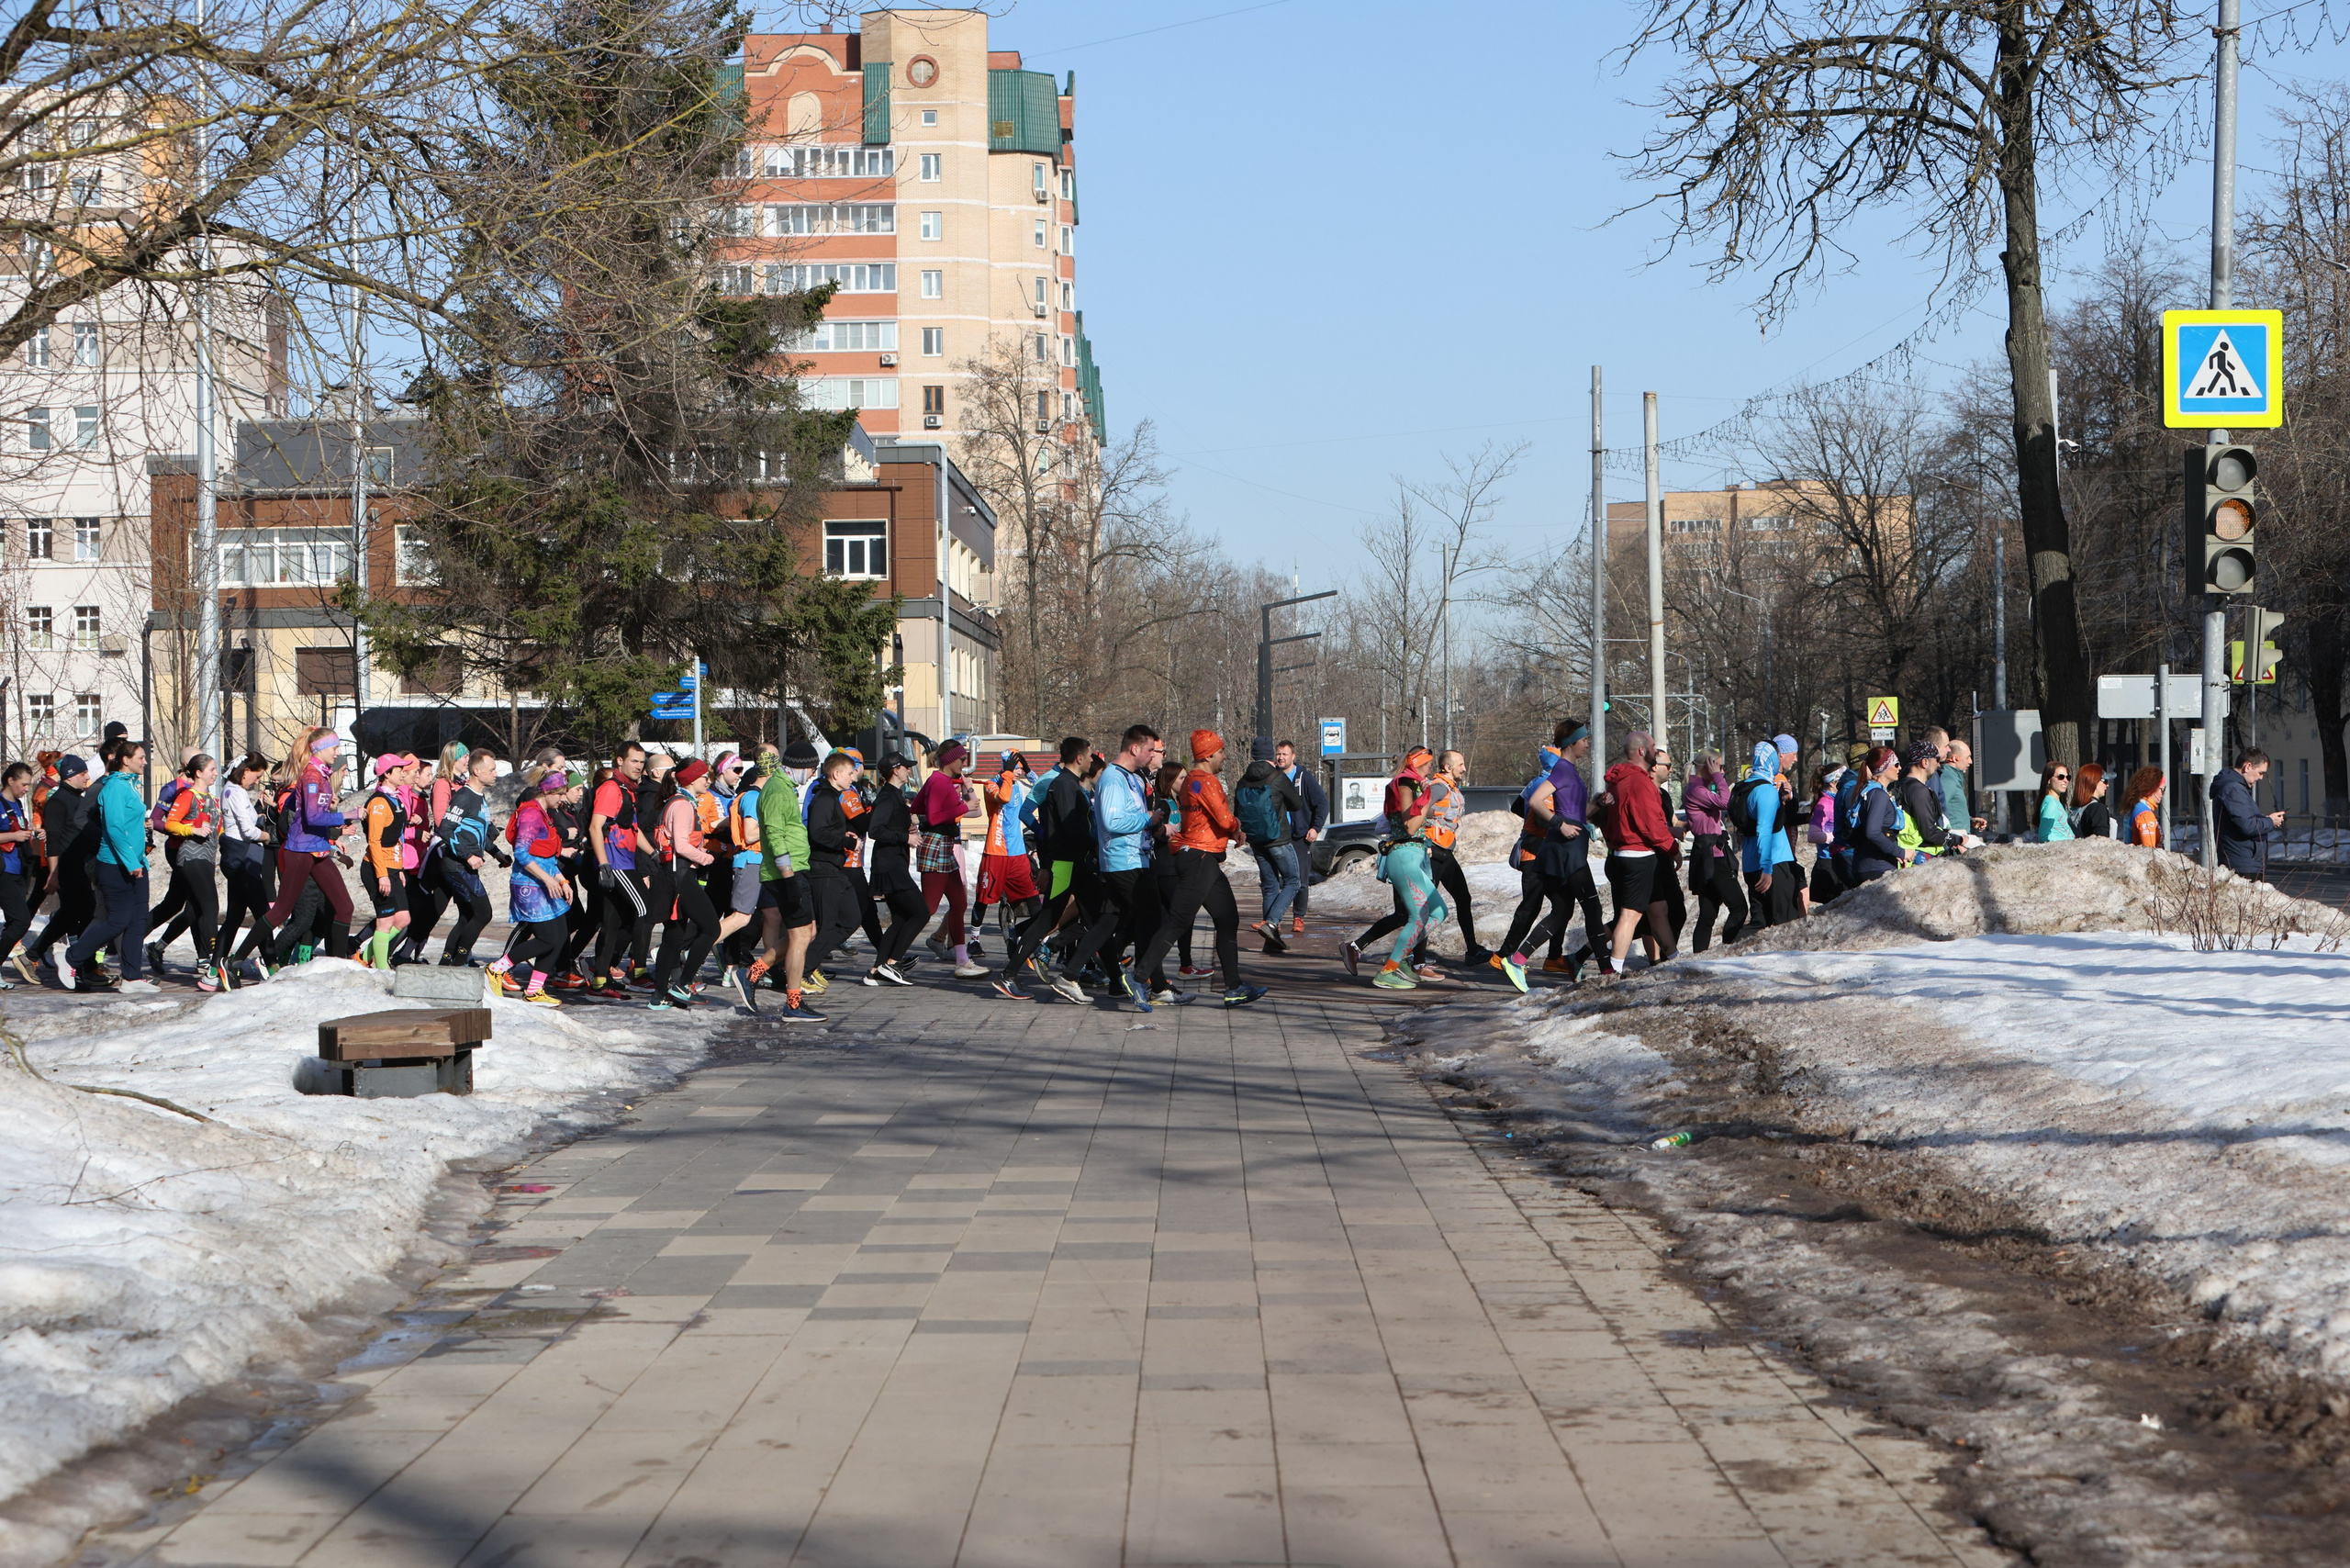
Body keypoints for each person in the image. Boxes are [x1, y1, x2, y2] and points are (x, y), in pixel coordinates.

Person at [1128, 729, 1263, 1011]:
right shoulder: (1206, 781)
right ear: (1209, 755)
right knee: (1177, 922)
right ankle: (1138, 978)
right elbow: (1224, 819)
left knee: (1227, 918)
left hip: (1203, 857)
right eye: (1222, 751)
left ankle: (1234, 987)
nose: (1224, 756)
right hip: (1199, 858)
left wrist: (1230, 829)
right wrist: (1237, 827)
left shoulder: (1192, 780)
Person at [1046, 725, 1165, 1004]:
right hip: (1123, 861)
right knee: (1153, 920)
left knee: (1107, 921)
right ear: (1135, 748)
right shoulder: (1112, 778)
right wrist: (1147, 819)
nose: (1152, 755)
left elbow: (1130, 817)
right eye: (1150, 749)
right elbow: (1111, 822)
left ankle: (1071, 974)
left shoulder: (1131, 778)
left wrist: (1154, 827)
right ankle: (1142, 980)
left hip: (1133, 857)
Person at [1494, 724, 1613, 986]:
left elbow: (1577, 812)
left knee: (1562, 910)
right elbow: (1536, 801)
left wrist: (1598, 805)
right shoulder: (1561, 769)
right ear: (1570, 743)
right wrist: (1558, 823)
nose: (1588, 744)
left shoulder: (1570, 771)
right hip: (1566, 851)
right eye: (1583, 740)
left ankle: (1517, 959)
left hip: (1570, 848)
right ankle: (1607, 972)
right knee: (1593, 909)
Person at [993, 735, 1096, 997]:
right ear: (1079, 757)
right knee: (1048, 920)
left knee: (1097, 917)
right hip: (1066, 863)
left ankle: (1107, 978)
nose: (1093, 759)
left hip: (1074, 862)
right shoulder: (1062, 785)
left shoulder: (1069, 783)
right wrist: (1091, 844)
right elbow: (1067, 827)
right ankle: (1011, 973)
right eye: (1090, 754)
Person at [735, 742, 824, 1021]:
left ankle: (752, 973)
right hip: (785, 873)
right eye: (810, 768)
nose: (811, 774)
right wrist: (788, 878)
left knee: (807, 932)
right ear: (797, 766)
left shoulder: (783, 787)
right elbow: (773, 835)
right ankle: (793, 1003)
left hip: (795, 869)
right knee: (800, 935)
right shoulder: (776, 790)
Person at [68, 738, 156, 992]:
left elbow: (128, 825)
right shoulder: (115, 787)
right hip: (116, 864)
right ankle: (73, 958)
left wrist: (139, 857)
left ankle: (131, 977)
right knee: (117, 921)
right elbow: (114, 828)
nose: (145, 761)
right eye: (141, 757)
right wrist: (131, 861)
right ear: (126, 760)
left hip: (136, 863)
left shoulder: (129, 785)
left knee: (138, 920)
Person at [262, 731, 355, 963]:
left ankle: (301, 959)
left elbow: (317, 824)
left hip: (316, 852)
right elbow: (304, 821)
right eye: (343, 768)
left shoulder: (322, 783)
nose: (344, 770)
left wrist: (333, 842)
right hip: (299, 854)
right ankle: (265, 957)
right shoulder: (310, 780)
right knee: (300, 918)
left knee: (325, 914)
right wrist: (343, 820)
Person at [487, 773, 571, 1006]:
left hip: (545, 883)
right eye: (560, 793)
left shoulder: (546, 815)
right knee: (546, 938)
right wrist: (548, 879)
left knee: (561, 935)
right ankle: (496, 969)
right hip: (530, 885)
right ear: (547, 792)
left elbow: (547, 855)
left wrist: (561, 879)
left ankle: (534, 990)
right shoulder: (531, 814)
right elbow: (522, 854)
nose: (563, 798)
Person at [1367, 747, 1446, 990]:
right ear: (1419, 763)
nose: (1431, 768)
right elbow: (1410, 826)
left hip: (1414, 856)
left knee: (1439, 911)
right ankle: (1387, 971)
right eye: (1429, 763)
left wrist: (1433, 808)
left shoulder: (1414, 785)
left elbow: (1416, 814)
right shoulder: (1404, 783)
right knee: (1418, 916)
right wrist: (1428, 800)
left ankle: (1401, 959)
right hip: (1403, 855)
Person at [1598, 732, 1676, 970]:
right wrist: (1672, 848)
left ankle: (1674, 960)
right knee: (1630, 915)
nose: (1655, 749)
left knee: (1658, 908)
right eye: (1653, 746)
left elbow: (1605, 817)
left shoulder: (1618, 780)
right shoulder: (1639, 782)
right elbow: (1651, 824)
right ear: (1642, 751)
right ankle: (1613, 969)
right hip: (1637, 856)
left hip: (1630, 854)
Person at [647, 758, 721, 1009]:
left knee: (673, 936)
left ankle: (658, 997)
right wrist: (707, 858)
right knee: (711, 928)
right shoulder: (682, 805)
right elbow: (681, 844)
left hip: (671, 874)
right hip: (680, 875)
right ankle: (682, 984)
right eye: (704, 777)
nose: (708, 781)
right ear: (690, 779)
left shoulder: (677, 802)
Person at [911, 742, 984, 977]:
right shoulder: (938, 781)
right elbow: (931, 817)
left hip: (945, 846)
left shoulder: (944, 782)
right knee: (928, 907)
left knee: (959, 902)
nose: (965, 763)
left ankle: (962, 961)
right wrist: (960, 807)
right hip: (936, 845)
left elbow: (917, 806)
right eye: (962, 759)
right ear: (950, 760)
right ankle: (891, 952)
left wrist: (966, 792)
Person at [26, 753, 96, 981]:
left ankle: (33, 953)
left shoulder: (78, 798)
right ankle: (82, 964)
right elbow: (53, 840)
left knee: (69, 915)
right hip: (67, 867)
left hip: (81, 864)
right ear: (70, 775)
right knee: (87, 911)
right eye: (83, 773)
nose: (87, 777)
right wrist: (54, 875)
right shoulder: (57, 802)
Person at [158, 754, 226, 990]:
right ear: (198, 772)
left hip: (207, 859)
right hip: (191, 857)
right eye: (211, 769)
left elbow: (220, 830)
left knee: (197, 909)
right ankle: (211, 962)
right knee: (210, 907)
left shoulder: (213, 799)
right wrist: (192, 829)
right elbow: (169, 823)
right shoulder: (187, 795)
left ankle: (205, 959)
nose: (215, 773)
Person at [861, 754, 929, 985]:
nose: (909, 771)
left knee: (901, 918)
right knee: (921, 913)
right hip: (889, 866)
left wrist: (906, 833)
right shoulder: (887, 798)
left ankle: (874, 971)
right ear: (894, 770)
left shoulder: (896, 796)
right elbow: (875, 830)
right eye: (906, 768)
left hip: (893, 863)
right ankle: (892, 963)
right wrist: (904, 838)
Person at [799, 751, 866, 988]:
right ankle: (801, 971)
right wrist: (846, 842)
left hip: (834, 867)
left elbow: (825, 830)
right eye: (849, 772)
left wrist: (841, 835)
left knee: (851, 918)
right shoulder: (825, 799)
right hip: (822, 869)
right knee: (827, 925)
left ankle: (808, 965)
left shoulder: (831, 797)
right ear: (836, 774)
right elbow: (816, 833)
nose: (853, 777)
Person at [587, 742, 649, 997]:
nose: (639, 766)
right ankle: (640, 973)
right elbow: (594, 827)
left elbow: (633, 829)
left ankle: (600, 978)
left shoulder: (628, 789)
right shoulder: (611, 788)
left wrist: (653, 852)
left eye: (642, 761)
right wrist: (603, 865)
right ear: (619, 761)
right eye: (634, 761)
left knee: (612, 922)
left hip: (625, 860)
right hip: (615, 864)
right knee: (645, 910)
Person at [1233, 738, 1305, 952]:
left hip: (1256, 841)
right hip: (1279, 838)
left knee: (1270, 886)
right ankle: (1272, 923)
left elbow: (1237, 810)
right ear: (1271, 754)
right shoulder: (1278, 777)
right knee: (1293, 881)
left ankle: (1270, 944)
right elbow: (1296, 804)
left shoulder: (1243, 780)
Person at [431, 748, 502, 965]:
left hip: (465, 866)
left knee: (468, 916)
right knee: (483, 913)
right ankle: (460, 960)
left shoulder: (479, 797)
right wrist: (468, 857)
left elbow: (475, 833)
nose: (495, 774)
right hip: (456, 866)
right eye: (491, 770)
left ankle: (446, 963)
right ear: (477, 771)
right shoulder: (464, 797)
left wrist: (497, 853)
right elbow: (445, 830)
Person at [1737, 735, 1803, 931]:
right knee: (1786, 924)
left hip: (1750, 862)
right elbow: (1764, 829)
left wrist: (1782, 801)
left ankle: (1742, 956)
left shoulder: (1744, 787)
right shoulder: (1766, 789)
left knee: (1761, 924)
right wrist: (1767, 869)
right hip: (1774, 862)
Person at [1684, 750, 1747, 947]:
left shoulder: (1701, 786)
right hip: (1712, 856)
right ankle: (1727, 949)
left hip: (1711, 852)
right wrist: (1718, 777)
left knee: (1708, 913)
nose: (1722, 770)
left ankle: (1700, 957)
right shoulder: (1696, 789)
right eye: (1719, 766)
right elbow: (1726, 802)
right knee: (1739, 908)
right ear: (1707, 766)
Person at [359, 755, 416, 969]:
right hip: (376, 868)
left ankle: (365, 954)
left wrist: (398, 868)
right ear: (387, 774)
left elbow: (397, 838)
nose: (403, 772)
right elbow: (374, 841)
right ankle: (381, 970)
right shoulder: (379, 803)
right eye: (399, 769)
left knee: (403, 920)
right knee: (385, 922)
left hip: (392, 867)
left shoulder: (395, 798)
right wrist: (382, 874)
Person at [1273, 740, 1328, 935]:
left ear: (1293, 756)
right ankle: (1273, 919)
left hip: (1299, 836)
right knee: (1275, 880)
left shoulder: (1303, 777)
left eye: (1285, 754)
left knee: (1300, 878)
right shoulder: (1273, 776)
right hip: (1277, 836)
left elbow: (1322, 802)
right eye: (1278, 754)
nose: (1281, 757)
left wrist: (1315, 827)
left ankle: (1298, 916)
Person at [2211, 746, 2285, 879]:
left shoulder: (2235, 788)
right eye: (2260, 772)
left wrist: (2265, 819)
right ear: (2248, 766)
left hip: (2243, 862)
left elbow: (2244, 820)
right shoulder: (2234, 789)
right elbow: (2248, 826)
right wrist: (2270, 821)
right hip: (2242, 864)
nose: (2261, 778)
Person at [0, 763, 42, 986]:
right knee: (21, 920)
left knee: (13, 922)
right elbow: (9, 834)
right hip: (3, 871)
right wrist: (14, 836)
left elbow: (19, 831)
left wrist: (34, 833)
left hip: (19, 869)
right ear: (10, 781)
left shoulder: (17, 804)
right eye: (23, 783)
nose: (27, 788)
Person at [1846, 746, 1906, 882]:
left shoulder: (1873, 791)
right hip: (1875, 869)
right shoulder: (1878, 795)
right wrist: (1900, 852)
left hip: (1875, 865)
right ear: (1883, 768)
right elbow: (1872, 832)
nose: (1900, 768)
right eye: (1896, 764)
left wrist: (1895, 854)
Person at [1895, 742, 1961, 861]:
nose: (1939, 765)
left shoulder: (1903, 785)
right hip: (1917, 858)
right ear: (1925, 762)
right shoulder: (1919, 791)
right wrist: (1961, 840)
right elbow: (1929, 832)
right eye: (1936, 760)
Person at [2124, 766, 2165, 848]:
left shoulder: (2137, 806)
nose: (2163, 793)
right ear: (2152, 788)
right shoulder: (2145, 814)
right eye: (2162, 789)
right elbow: (2149, 851)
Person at [2071, 764, 2116, 841]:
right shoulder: (2097, 809)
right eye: (2105, 781)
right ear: (2093, 782)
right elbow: (2103, 842)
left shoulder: (2077, 809)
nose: (2107, 785)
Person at [2034, 761, 2075, 843]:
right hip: (2059, 851)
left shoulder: (2055, 802)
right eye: (2061, 777)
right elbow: (2043, 837)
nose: (2066, 780)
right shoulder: (2051, 803)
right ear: (2049, 780)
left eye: (2068, 777)